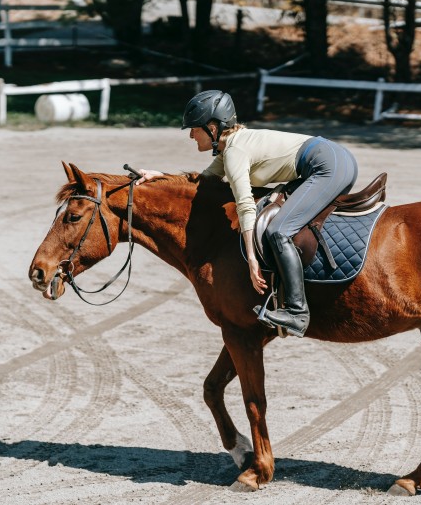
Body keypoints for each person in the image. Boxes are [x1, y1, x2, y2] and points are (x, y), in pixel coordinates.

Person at [136, 90, 357, 337]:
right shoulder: (229, 147)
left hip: (328, 167)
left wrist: (252, 259)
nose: (190, 135)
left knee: (278, 231)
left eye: (194, 129)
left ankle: (297, 312)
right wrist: (161, 177)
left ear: (211, 127)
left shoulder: (234, 152)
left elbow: (245, 205)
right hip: (331, 159)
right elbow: (203, 182)